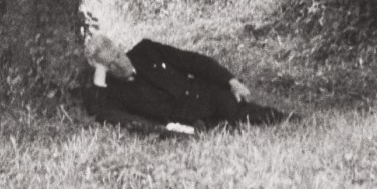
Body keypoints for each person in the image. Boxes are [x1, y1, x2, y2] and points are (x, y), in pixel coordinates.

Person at [82, 31, 288, 134]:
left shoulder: (146, 51)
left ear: (120, 47)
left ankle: (290, 119)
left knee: (250, 114)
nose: (120, 62)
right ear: (105, 69)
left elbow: (192, 61)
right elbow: (100, 110)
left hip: (205, 95)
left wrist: (231, 81)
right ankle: (218, 126)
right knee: (223, 129)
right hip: (186, 120)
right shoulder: (114, 92)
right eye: (112, 63)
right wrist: (100, 74)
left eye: (118, 54)